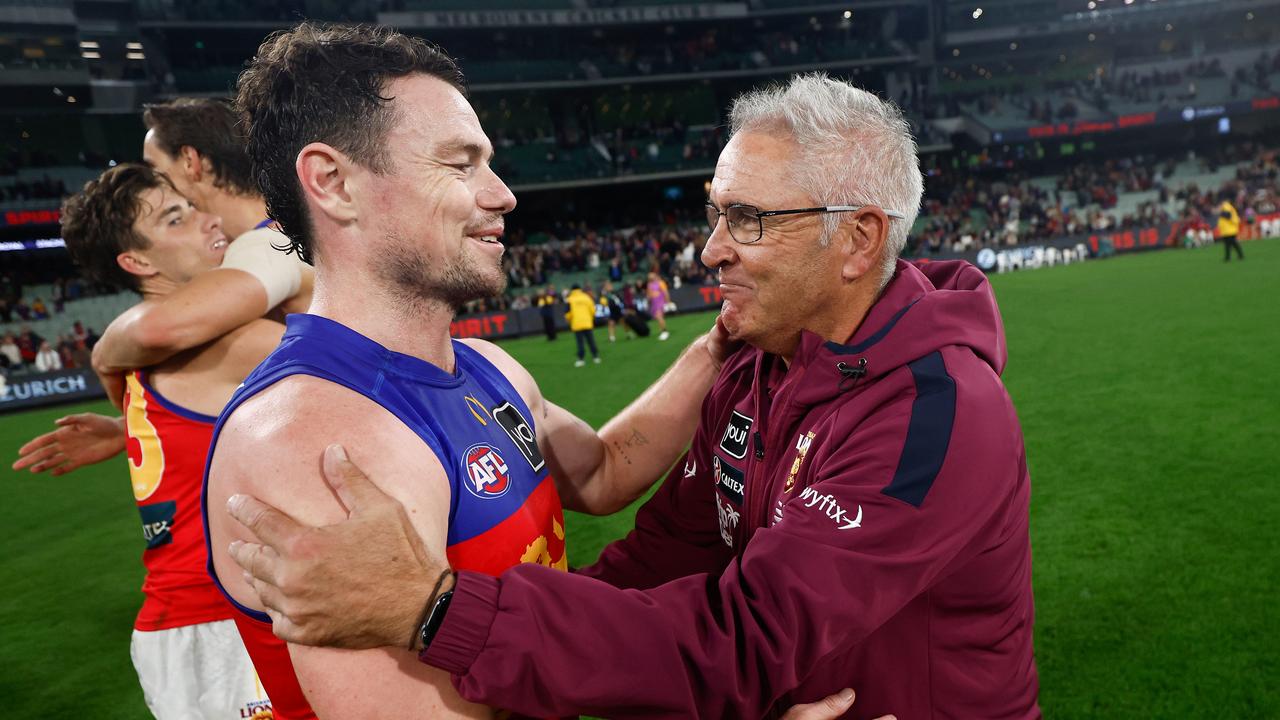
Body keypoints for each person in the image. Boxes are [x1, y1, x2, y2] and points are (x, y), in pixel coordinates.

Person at [225, 73, 1040, 719]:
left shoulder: (937, 412)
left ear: (857, 239)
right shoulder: (757, 369)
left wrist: (439, 611)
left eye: (749, 219)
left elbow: (746, 639)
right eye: (716, 213)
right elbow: (657, 564)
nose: (710, 250)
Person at [15, 163, 279, 720]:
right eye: (176, 218)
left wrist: (121, 429)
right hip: (222, 624)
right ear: (138, 262)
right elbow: (371, 359)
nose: (210, 220)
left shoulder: (151, 340)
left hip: (191, 620)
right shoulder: (216, 342)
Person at [91, 97, 312, 395]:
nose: (154, 182)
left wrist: (103, 356)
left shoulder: (268, 245)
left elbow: (156, 331)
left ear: (190, 161)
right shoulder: (288, 225)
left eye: (155, 167)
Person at [565, 283, 600, 366]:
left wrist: (569, 320)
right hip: (587, 322)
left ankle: (581, 359)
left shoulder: (570, 299)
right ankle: (596, 357)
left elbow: (568, 313)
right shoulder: (586, 297)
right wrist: (590, 319)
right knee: (591, 340)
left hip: (576, 324)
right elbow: (593, 310)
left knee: (580, 342)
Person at [645, 270, 671, 340]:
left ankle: (664, 331)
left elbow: (665, 292)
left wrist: (668, 302)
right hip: (654, 303)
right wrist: (647, 303)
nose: (650, 277)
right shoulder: (649, 285)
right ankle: (663, 330)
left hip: (660, 302)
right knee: (658, 317)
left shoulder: (660, 283)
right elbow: (649, 295)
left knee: (659, 316)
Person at [1217, 194, 1244, 261]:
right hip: (1229, 229)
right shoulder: (1228, 206)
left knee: (1232, 243)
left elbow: (1227, 215)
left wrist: (1219, 213)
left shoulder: (1225, 205)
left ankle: (1236, 256)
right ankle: (1229, 257)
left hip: (1229, 229)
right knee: (1229, 244)